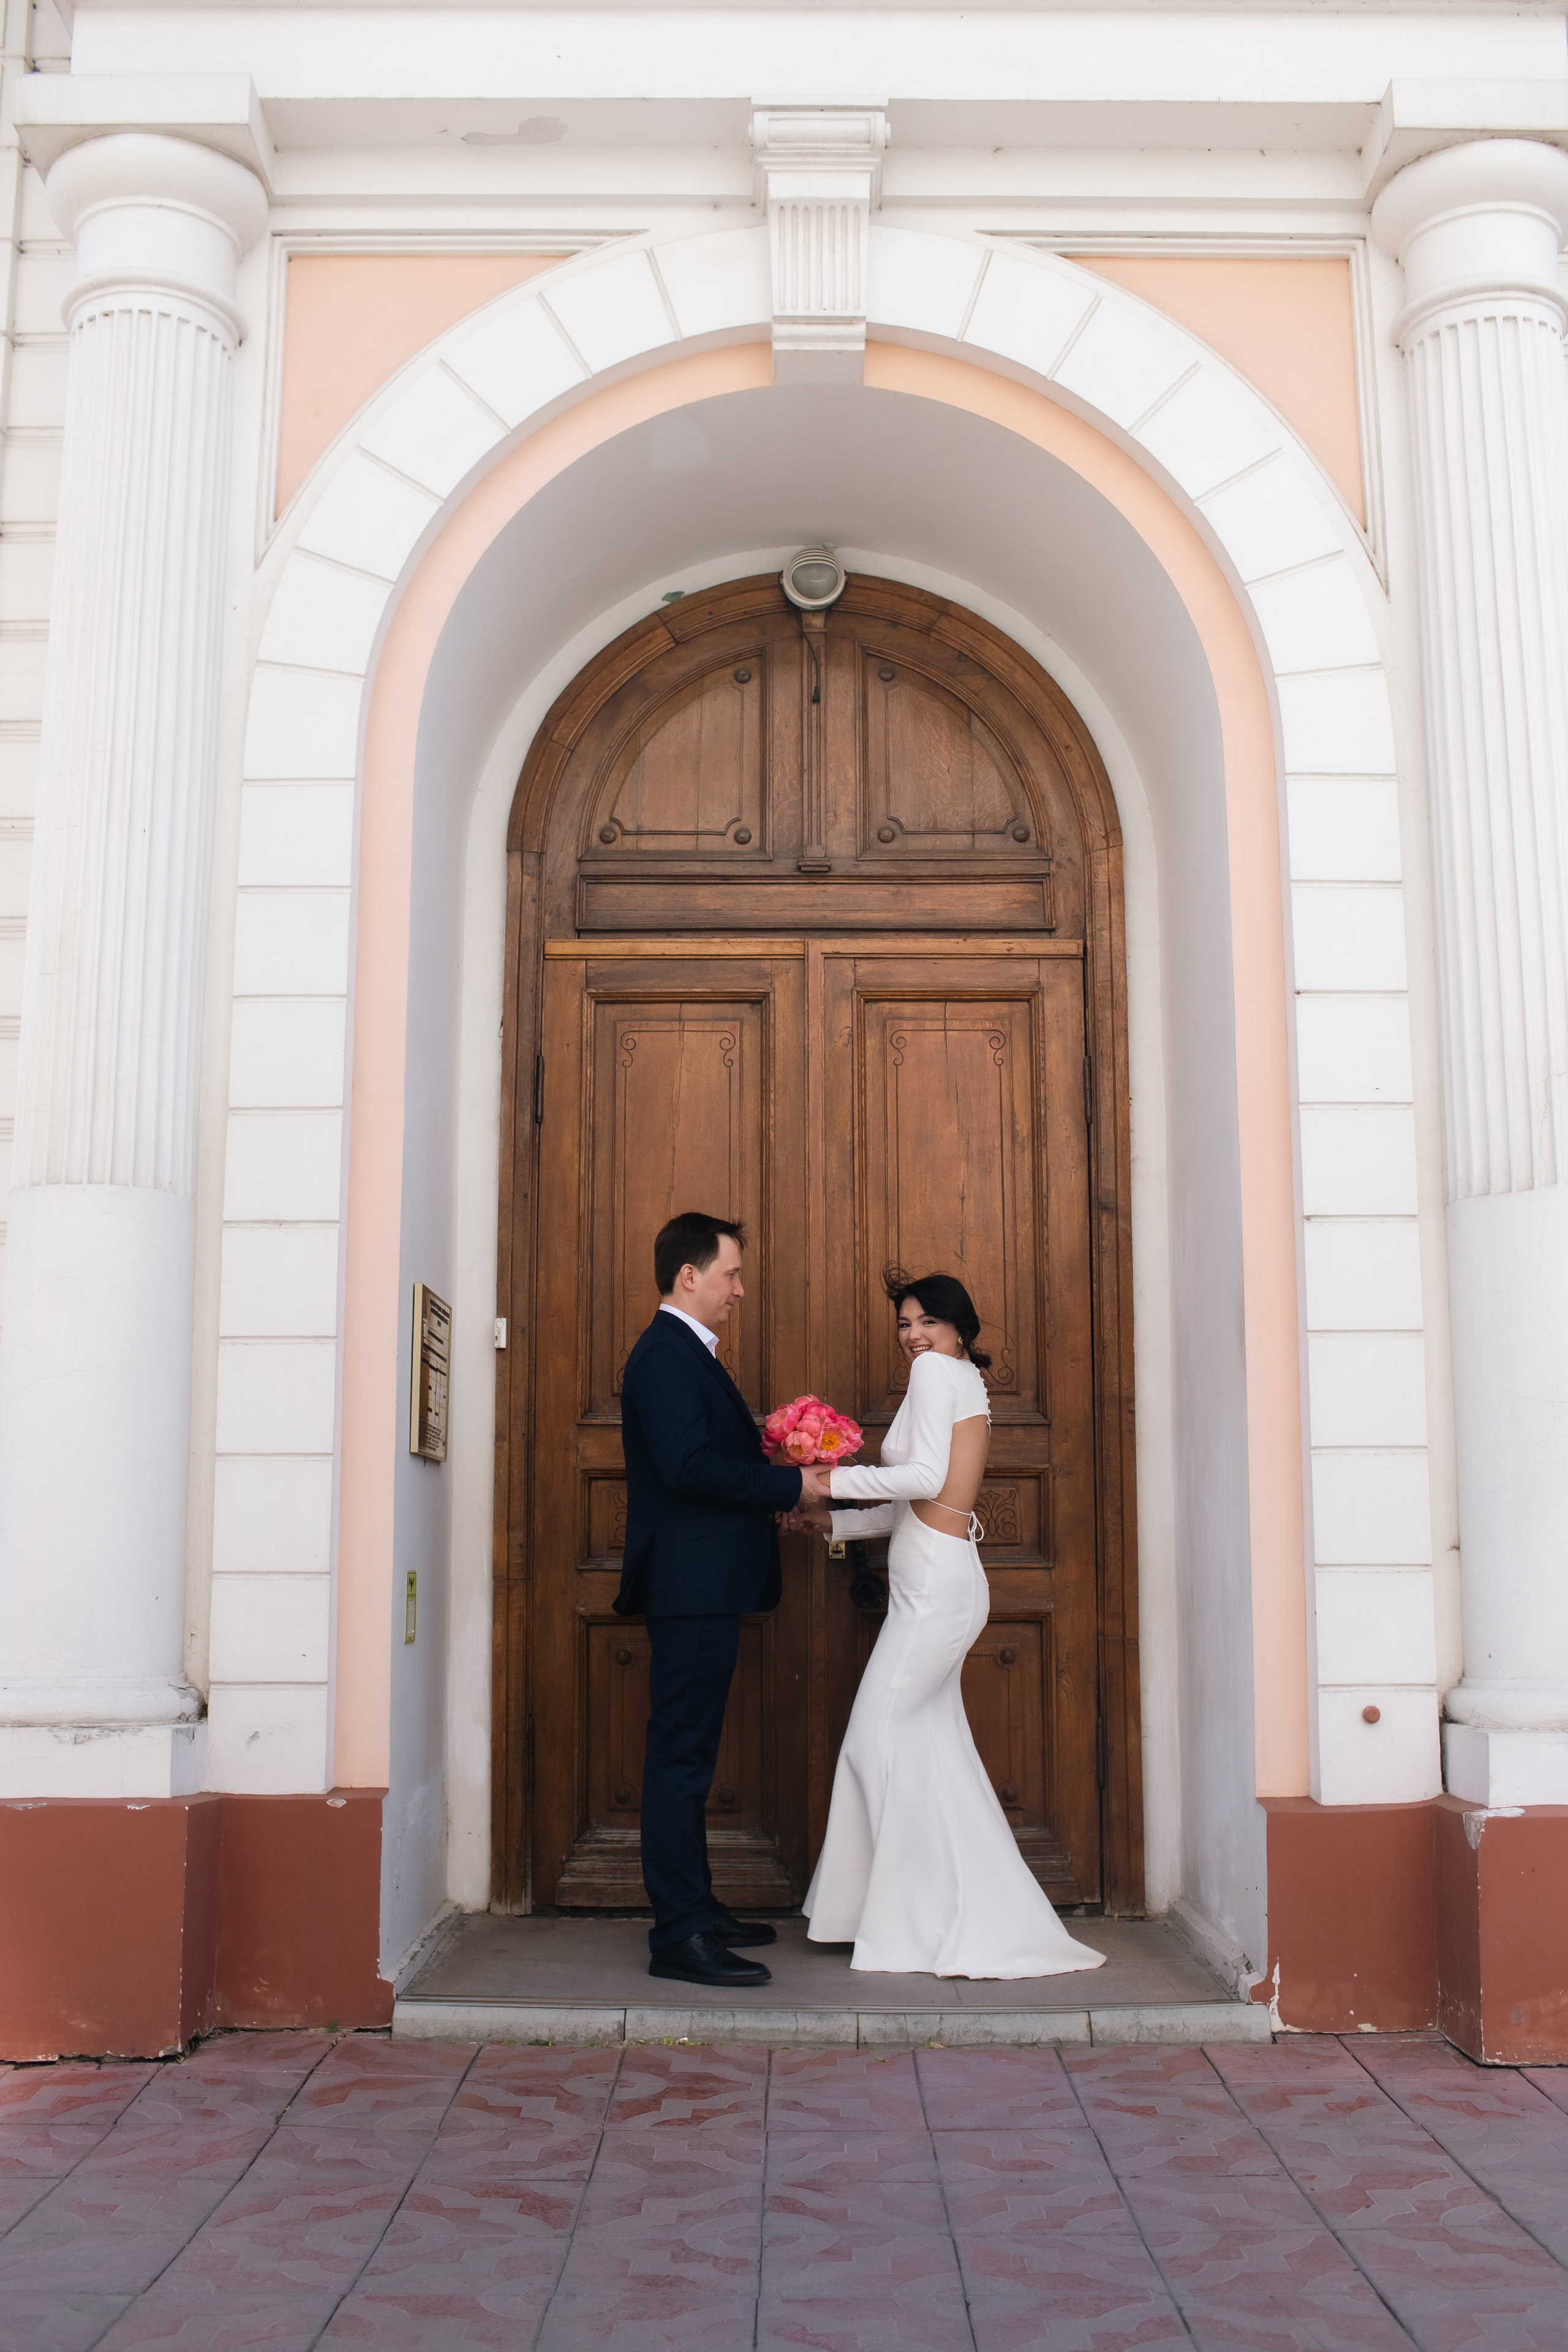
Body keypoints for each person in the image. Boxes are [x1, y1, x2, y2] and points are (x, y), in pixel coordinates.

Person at [785, 1269, 1106, 1980]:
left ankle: (906, 1922)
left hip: (935, 1587)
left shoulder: (938, 1375)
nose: (912, 1336)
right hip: (935, 1577)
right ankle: (922, 1914)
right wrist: (830, 1519)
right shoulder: (958, 1378)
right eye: (904, 1324)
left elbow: (924, 1478)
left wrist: (824, 1480)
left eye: (925, 1321)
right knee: (931, 1753)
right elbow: (915, 1502)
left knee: (875, 1740)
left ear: (959, 1326)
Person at [618, 1211, 828, 1988]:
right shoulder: (666, 1355)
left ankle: (698, 1909)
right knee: (680, 1761)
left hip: (704, 1584)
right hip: (689, 1588)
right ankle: (678, 1933)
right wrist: (788, 1482)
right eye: (731, 1274)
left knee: (692, 1758)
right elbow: (686, 1467)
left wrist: (768, 1494)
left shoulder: (686, 1354)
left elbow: (704, 1468)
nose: (740, 1289)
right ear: (690, 1277)